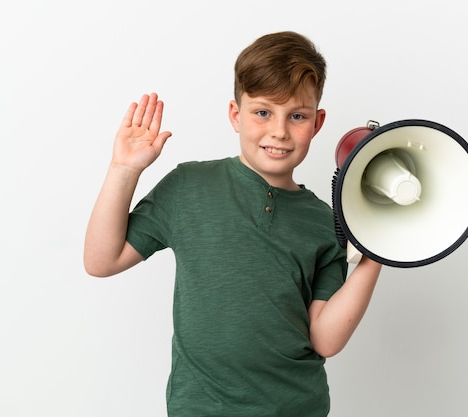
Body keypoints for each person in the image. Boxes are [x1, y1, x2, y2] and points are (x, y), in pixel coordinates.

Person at [84, 31, 382, 417]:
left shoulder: (324, 222)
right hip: (200, 408)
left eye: (296, 116)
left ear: (317, 122)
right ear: (235, 115)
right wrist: (123, 170)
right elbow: (101, 260)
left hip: (296, 407)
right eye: (262, 112)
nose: (279, 131)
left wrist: (375, 254)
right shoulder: (189, 186)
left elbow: (325, 339)